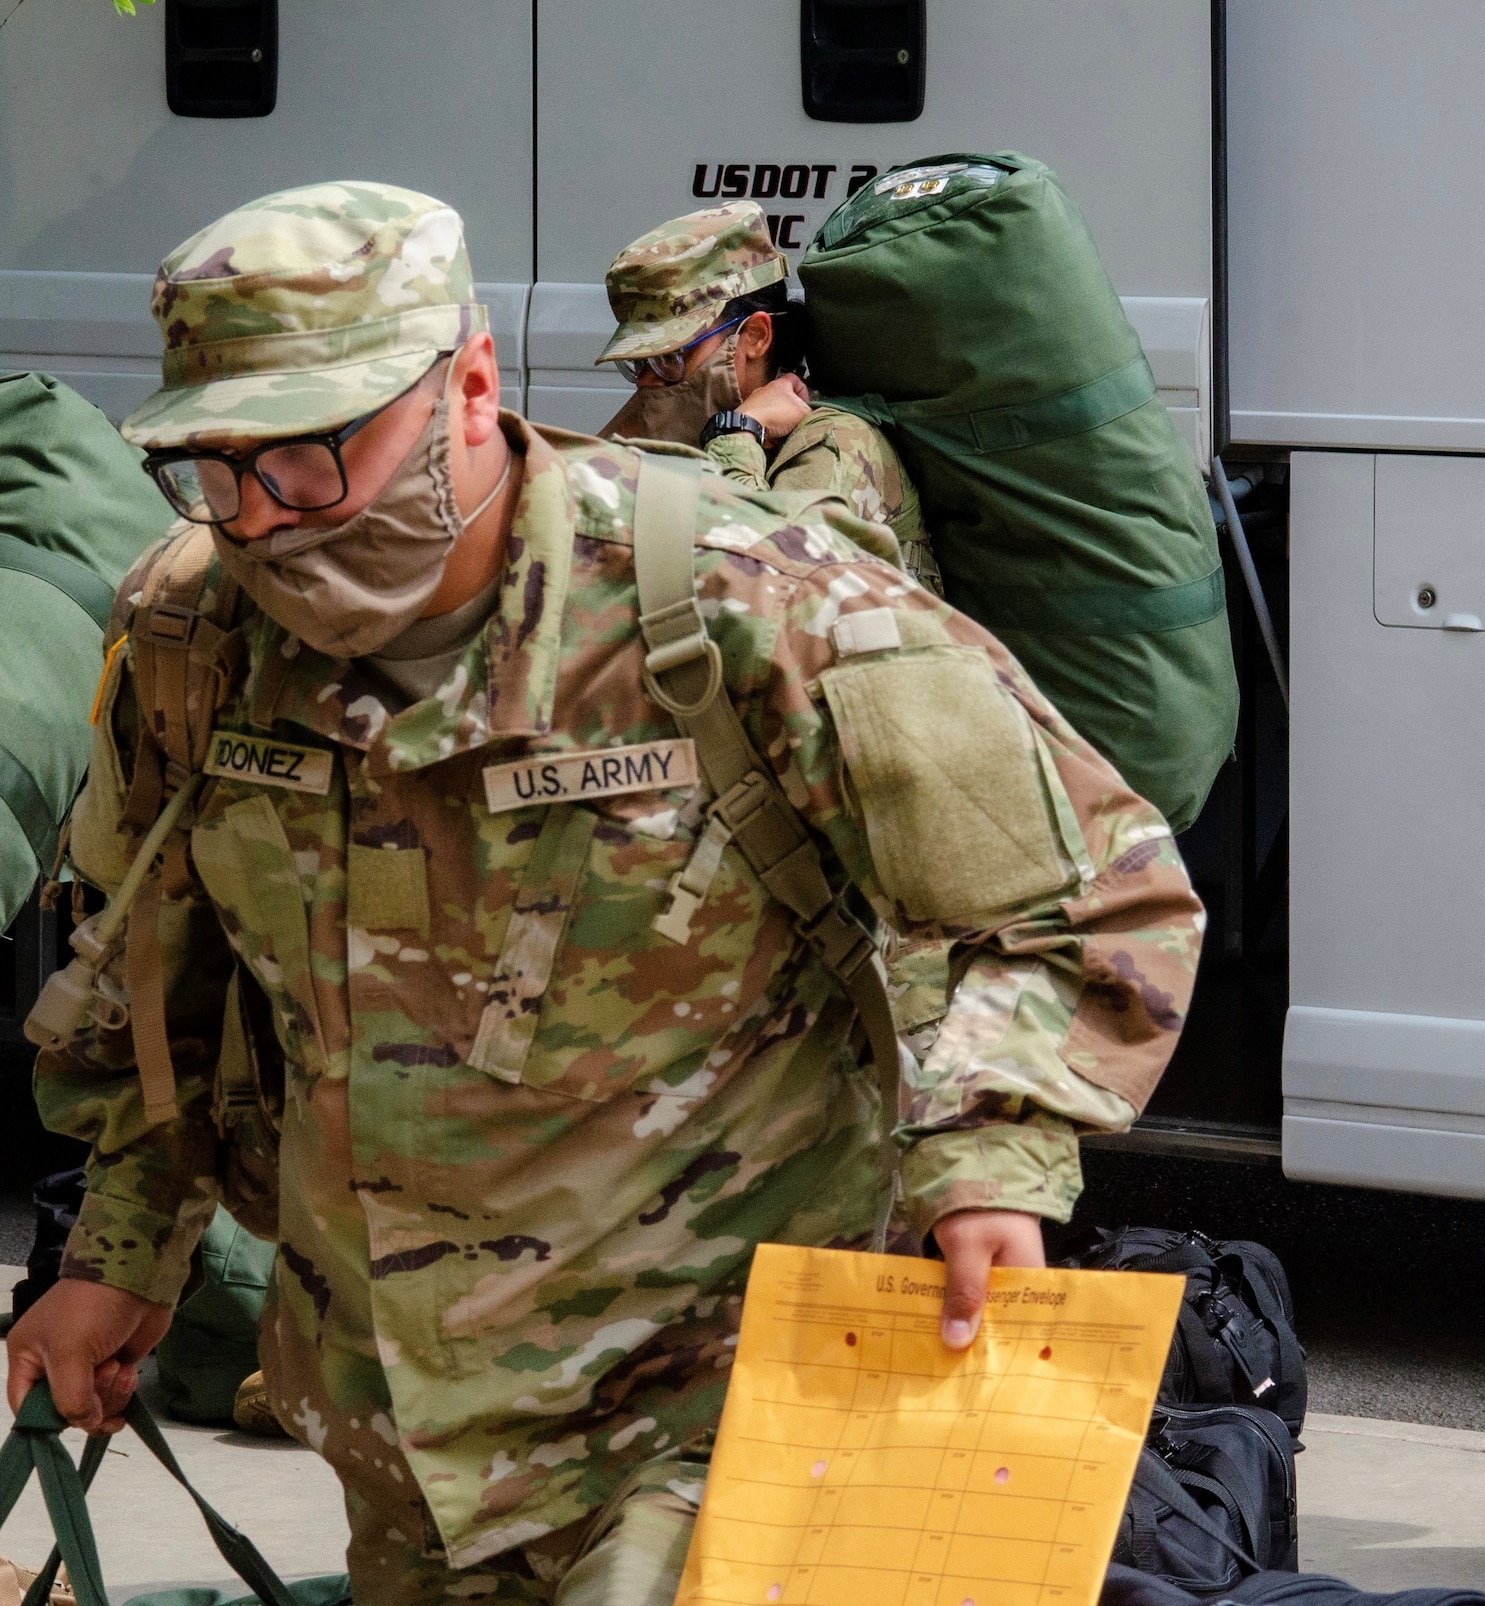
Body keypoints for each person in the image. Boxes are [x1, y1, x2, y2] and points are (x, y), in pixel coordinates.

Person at [5, 180, 1202, 1604]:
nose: (269, 519)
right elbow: (155, 967)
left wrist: (992, 1150)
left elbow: (1089, 891)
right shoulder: (192, 634)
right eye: (219, 466)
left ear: (468, 383)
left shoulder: (738, 604)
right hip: (404, 1446)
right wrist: (123, 1248)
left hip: (725, 1408)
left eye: (315, 455)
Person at [597, 202, 943, 596]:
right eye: (638, 363)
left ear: (756, 338)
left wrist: (738, 433)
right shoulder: (692, 410)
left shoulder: (832, 440)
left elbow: (752, 590)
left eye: (669, 357)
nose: (647, 382)